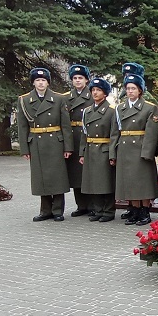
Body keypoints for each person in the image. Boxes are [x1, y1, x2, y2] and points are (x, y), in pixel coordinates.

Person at [17, 67, 74, 222]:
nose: (40, 83)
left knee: (57, 177)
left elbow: (65, 125)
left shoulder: (59, 99)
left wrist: (68, 147)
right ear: (33, 82)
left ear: (48, 83)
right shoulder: (24, 100)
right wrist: (24, 149)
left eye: (43, 80)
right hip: (36, 142)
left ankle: (57, 210)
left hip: (55, 141)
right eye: (37, 80)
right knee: (41, 177)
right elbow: (22, 127)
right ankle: (45, 210)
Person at [111, 73, 158, 226]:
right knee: (129, 182)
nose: (130, 91)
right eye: (128, 88)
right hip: (125, 148)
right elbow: (115, 132)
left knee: (143, 182)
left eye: (134, 88)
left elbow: (151, 133)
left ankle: (145, 211)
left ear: (140, 90)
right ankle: (135, 210)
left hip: (140, 147)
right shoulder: (120, 108)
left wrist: (148, 152)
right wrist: (113, 152)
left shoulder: (149, 108)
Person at [79, 78, 116, 222]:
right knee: (93, 181)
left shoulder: (111, 111)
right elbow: (84, 133)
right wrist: (82, 152)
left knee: (106, 182)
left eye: (98, 90)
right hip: (90, 149)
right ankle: (98, 209)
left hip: (104, 149)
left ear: (105, 93)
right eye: (93, 90)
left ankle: (108, 211)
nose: (95, 93)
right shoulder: (87, 111)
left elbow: (114, 134)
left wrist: (112, 154)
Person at [65, 64, 92, 217]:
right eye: (75, 78)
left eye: (80, 78)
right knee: (76, 173)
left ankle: (93, 204)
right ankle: (81, 205)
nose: (77, 81)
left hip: (88, 135)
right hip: (73, 136)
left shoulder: (92, 94)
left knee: (89, 172)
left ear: (86, 80)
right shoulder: (66, 97)